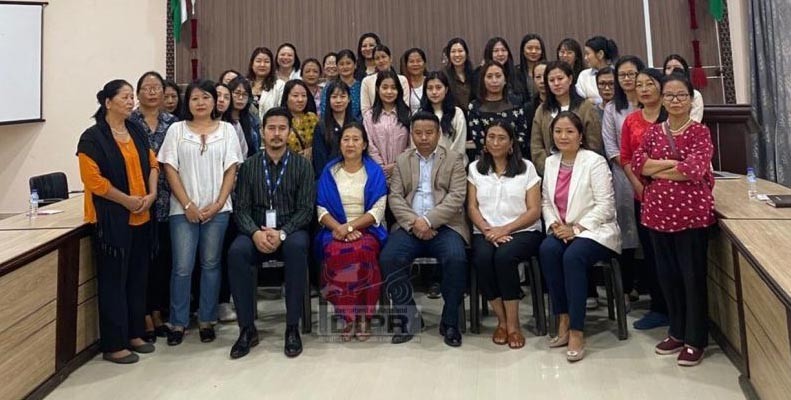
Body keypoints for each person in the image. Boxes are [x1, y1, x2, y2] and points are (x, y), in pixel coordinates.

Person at [631, 73, 715, 366]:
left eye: (681, 95)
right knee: (668, 277)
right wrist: (672, 165)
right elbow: (639, 164)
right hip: (657, 216)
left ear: (691, 99)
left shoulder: (700, 132)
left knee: (692, 278)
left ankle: (695, 339)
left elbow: (694, 170)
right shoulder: (654, 132)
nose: (675, 100)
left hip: (691, 217)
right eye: (670, 95)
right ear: (662, 99)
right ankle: (676, 331)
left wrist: (658, 170)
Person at [77, 79, 160, 363]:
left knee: (138, 279)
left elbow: (152, 163)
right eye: (125, 97)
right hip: (113, 219)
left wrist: (151, 193)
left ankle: (135, 332)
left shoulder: (135, 129)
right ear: (107, 102)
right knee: (114, 281)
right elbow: (94, 181)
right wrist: (126, 200)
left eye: (130, 97)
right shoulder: (92, 138)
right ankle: (114, 343)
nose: (130, 102)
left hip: (143, 214)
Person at [157, 80, 243, 346]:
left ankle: (207, 320)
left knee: (210, 264)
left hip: (217, 210)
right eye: (195, 98)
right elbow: (169, 168)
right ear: (188, 103)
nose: (201, 103)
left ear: (214, 102)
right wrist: (187, 205)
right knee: (182, 267)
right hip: (183, 211)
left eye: (206, 97)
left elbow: (231, 169)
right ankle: (178, 321)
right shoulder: (176, 130)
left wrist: (218, 203)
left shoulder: (227, 130)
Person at [228, 107, 316, 359]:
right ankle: (247, 329)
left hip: (291, 230)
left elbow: (306, 210)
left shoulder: (302, 165)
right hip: (255, 230)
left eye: (282, 128)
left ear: (289, 132)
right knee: (237, 252)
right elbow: (241, 209)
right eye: (271, 128)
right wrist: (255, 233)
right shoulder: (249, 167)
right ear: (262, 132)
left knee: (297, 247)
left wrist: (283, 233)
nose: (276, 134)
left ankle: (292, 327)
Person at [379, 111, 469, 347]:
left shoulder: (454, 159)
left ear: (439, 134)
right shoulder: (402, 160)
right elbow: (395, 197)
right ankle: (408, 318)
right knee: (390, 257)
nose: (424, 138)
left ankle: (450, 322)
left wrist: (428, 221)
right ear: (411, 135)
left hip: (445, 225)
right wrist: (414, 222)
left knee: (457, 258)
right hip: (409, 225)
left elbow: (457, 196)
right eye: (418, 133)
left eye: (429, 133)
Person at [539, 111, 621, 362]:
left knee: (573, 257)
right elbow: (546, 201)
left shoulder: (594, 162)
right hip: (561, 228)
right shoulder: (551, 162)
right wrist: (555, 225)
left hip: (595, 230)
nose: (563, 136)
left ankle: (576, 329)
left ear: (581, 136)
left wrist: (576, 229)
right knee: (547, 250)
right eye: (558, 131)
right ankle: (562, 318)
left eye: (569, 131)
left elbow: (605, 206)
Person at [468, 121, 543, 349]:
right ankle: (502, 320)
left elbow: (534, 210)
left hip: (522, 230)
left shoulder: (526, 168)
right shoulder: (475, 168)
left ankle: (513, 325)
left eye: (501, 138)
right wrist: (488, 230)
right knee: (482, 258)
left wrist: (505, 229)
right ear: (485, 141)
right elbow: (472, 207)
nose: (495, 142)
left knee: (504, 257)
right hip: (485, 230)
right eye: (491, 137)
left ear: (511, 143)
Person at [315, 122, 388, 341]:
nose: (350, 144)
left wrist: (350, 227)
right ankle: (347, 317)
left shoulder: (374, 172)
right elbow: (321, 208)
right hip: (334, 229)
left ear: (364, 144)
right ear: (340, 143)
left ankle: (364, 316)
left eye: (356, 139)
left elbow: (378, 210)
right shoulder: (330, 171)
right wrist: (339, 228)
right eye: (346, 139)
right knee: (336, 253)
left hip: (367, 230)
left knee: (363, 252)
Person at [129, 71, 179, 342]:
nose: (151, 92)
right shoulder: (129, 121)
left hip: (167, 200)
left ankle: (159, 310)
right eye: (146, 88)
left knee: (163, 260)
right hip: (137, 201)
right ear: (137, 94)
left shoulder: (173, 122)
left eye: (156, 87)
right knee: (142, 262)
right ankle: (144, 313)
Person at [620, 68, 671, 330]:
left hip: (676, 197)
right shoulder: (631, 120)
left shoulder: (672, 118)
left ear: (661, 87)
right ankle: (659, 307)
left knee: (674, 255)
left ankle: (680, 308)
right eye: (639, 85)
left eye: (649, 84)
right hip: (643, 196)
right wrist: (638, 186)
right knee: (652, 253)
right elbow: (626, 157)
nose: (643, 89)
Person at [601, 56, 646, 311]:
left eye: (632, 74)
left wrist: (645, 171)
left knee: (649, 232)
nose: (628, 79)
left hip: (653, 177)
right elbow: (610, 145)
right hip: (622, 176)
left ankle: (648, 286)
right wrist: (631, 172)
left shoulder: (650, 104)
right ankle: (627, 288)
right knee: (627, 230)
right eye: (623, 75)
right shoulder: (611, 108)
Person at [531, 61, 602, 175]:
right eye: (551, 80)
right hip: (551, 173)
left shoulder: (586, 107)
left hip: (583, 172)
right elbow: (536, 146)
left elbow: (594, 144)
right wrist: (550, 170)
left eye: (560, 78)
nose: (556, 83)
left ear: (569, 79)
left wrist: (580, 169)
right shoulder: (542, 110)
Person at [467, 60, 531, 158]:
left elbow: (522, 134)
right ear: (483, 80)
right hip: (486, 159)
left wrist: (509, 153)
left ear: (505, 79)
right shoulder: (474, 106)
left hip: (515, 157)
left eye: (498, 76)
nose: (494, 80)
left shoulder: (516, 102)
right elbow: (479, 139)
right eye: (489, 76)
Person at [363, 70, 411, 179]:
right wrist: (382, 168)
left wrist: (397, 166)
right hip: (377, 173)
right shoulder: (369, 116)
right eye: (384, 87)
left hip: (404, 172)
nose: (389, 92)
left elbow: (411, 145)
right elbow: (370, 145)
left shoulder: (408, 114)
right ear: (377, 89)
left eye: (393, 88)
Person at [313, 80, 355, 177]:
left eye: (343, 96)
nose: (338, 100)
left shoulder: (356, 123)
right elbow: (319, 160)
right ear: (328, 100)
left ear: (349, 99)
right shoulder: (321, 126)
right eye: (334, 97)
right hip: (329, 177)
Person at [420, 71, 467, 157]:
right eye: (430, 88)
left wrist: (446, 164)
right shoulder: (419, 114)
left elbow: (459, 145)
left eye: (438, 87)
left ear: (446, 90)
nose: (434, 92)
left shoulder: (457, 113)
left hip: (454, 165)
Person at [360, 45, 410, 114]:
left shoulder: (402, 80)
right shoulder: (367, 81)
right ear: (374, 62)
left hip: (399, 120)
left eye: (383, 57)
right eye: (377, 58)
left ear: (390, 58)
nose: (381, 61)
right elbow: (365, 110)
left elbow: (405, 105)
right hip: (373, 121)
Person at [280, 79, 318, 161]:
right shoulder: (280, 119)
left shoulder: (313, 118)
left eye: (304, 95)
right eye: (295, 96)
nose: (300, 100)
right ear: (286, 98)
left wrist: (312, 150)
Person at [320, 49, 362, 122]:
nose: (345, 67)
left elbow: (364, 112)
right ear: (337, 67)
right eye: (341, 64)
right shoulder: (329, 87)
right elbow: (324, 111)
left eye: (348, 63)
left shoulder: (361, 86)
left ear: (355, 65)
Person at [224, 77, 261, 158]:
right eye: (237, 93)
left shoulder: (253, 121)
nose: (240, 98)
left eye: (244, 94)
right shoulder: (222, 119)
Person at [479, 36, 524, 104]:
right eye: (496, 51)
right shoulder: (479, 73)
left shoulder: (516, 72)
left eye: (503, 50)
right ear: (489, 53)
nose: (500, 54)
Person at [577, 36, 619, 104]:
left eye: (588, 54)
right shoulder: (584, 75)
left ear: (600, 54)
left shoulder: (617, 73)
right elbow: (580, 100)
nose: (585, 58)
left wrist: (595, 101)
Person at [662, 54, 704, 122]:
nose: (673, 70)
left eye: (677, 67)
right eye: (668, 68)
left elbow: (695, 121)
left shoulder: (695, 94)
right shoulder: (660, 93)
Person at [247, 47, 285, 118]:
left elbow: (281, 111)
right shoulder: (245, 84)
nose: (262, 65)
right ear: (252, 64)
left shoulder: (279, 85)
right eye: (258, 61)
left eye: (266, 62)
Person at [443, 38, 475, 112]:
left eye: (460, 51)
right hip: (453, 115)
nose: (457, 55)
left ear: (466, 53)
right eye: (453, 51)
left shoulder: (474, 74)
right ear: (448, 55)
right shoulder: (444, 75)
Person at [517, 33, 547, 99]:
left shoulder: (550, 69)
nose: (533, 51)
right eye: (529, 48)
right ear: (523, 50)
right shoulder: (515, 72)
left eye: (537, 48)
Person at [401, 48, 427, 115]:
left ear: (424, 64)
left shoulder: (430, 82)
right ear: (406, 65)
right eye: (411, 61)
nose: (415, 64)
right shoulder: (402, 84)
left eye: (418, 61)